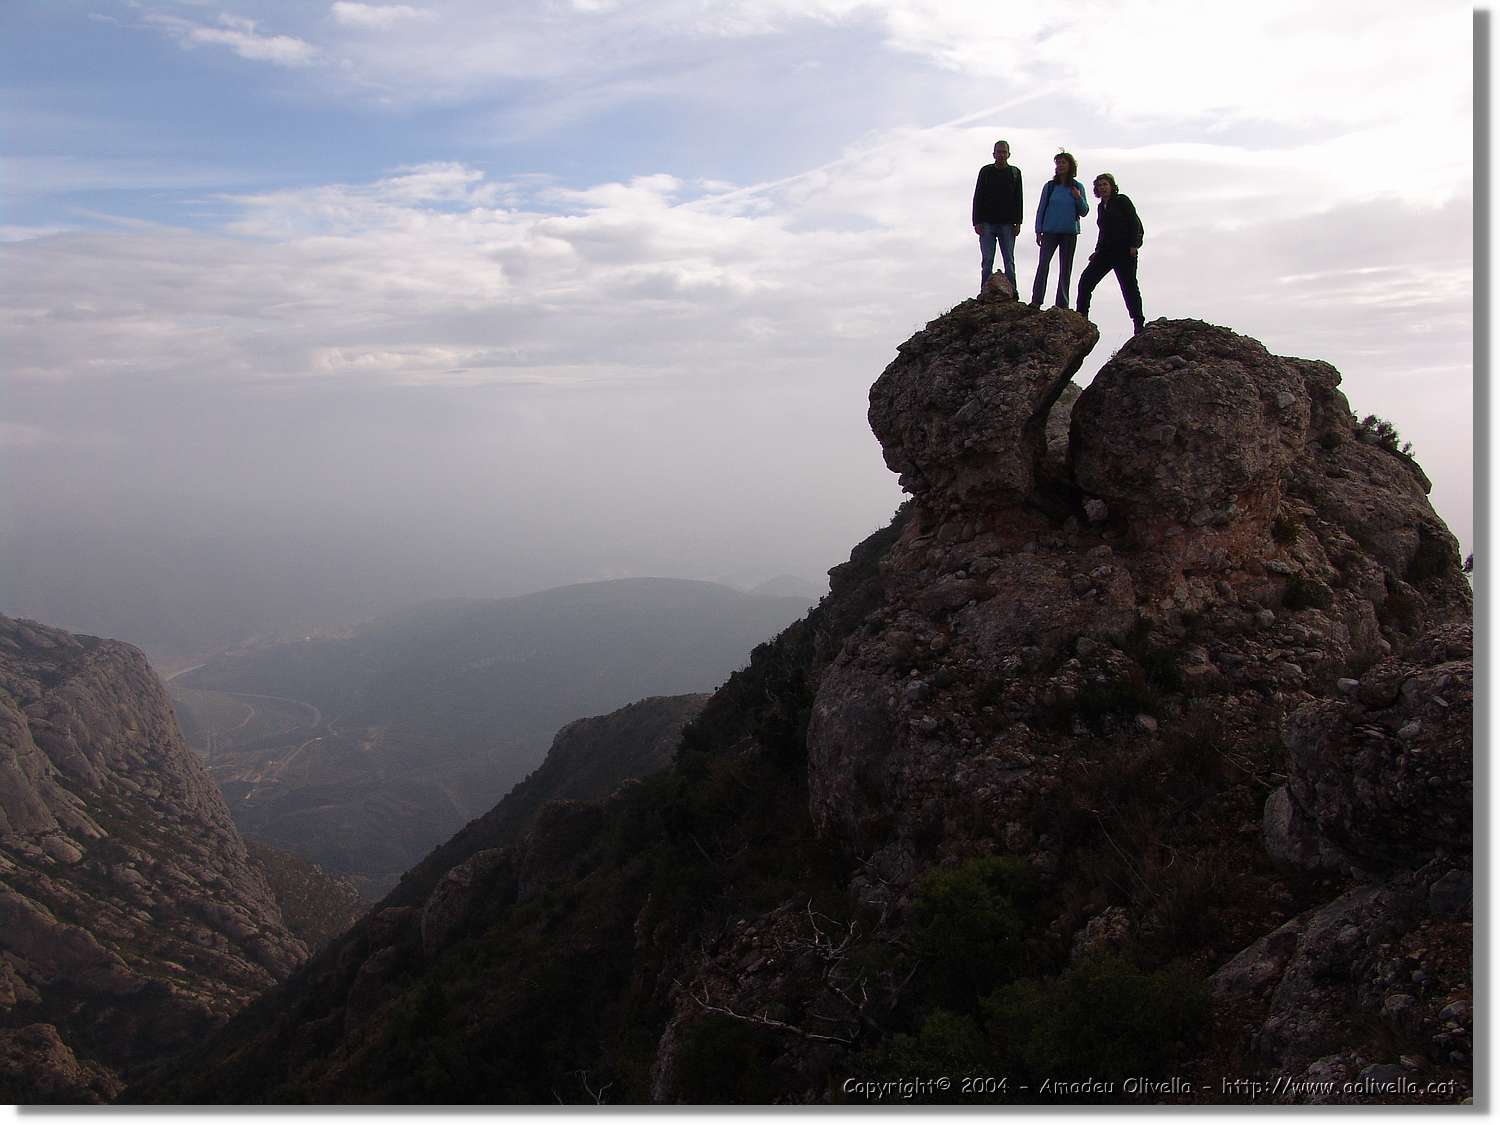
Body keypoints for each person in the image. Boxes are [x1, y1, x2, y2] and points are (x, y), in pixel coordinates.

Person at [1076, 172, 1145, 334]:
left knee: (1129, 287)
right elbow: (1103, 232)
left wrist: (1134, 245)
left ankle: (1138, 322)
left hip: (1124, 250)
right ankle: (1081, 317)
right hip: (1106, 252)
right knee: (1086, 281)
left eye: (1105, 184)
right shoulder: (1101, 207)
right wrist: (1097, 251)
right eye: (1099, 185)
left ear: (1112, 186)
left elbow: (1134, 223)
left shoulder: (1122, 200)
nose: (1103, 188)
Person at [1029, 151, 1089, 309]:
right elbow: (1041, 209)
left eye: (1063, 162)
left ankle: (1062, 303)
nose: (1060, 166)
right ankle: (1036, 300)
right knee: (1043, 265)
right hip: (1050, 231)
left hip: (1069, 232)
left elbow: (1084, 211)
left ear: (1070, 166)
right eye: (1058, 163)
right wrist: (1038, 230)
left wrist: (1078, 197)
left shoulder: (1077, 187)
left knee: (1065, 268)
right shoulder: (1049, 187)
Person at [972, 140, 1023, 296]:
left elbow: (1018, 198)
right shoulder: (985, 171)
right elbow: (978, 196)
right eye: (998, 152)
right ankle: (985, 292)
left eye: (1004, 152)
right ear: (993, 154)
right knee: (987, 261)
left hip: (1007, 223)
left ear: (1008, 154)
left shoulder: (1014, 172)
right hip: (987, 223)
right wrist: (976, 221)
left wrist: (1018, 222)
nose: (1001, 155)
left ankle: (1013, 293)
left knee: (1009, 261)